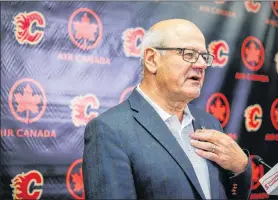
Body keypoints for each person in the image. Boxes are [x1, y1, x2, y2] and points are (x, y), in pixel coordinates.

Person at [82, 19, 252, 199]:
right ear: (152, 60)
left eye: (204, 56)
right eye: (189, 54)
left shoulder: (210, 123)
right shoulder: (110, 130)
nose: (201, 64)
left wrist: (240, 167)